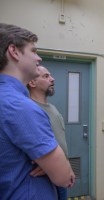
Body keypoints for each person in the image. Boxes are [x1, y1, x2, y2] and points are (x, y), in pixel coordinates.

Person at [0, 23, 75, 199]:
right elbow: (65, 178)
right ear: (14, 51)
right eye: (33, 51)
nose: (38, 58)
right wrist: (60, 167)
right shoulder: (20, 107)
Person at [28, 65, 69, 200]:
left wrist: (66, 166)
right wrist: (48, 166)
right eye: (46, 76)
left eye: (50, 75)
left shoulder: (52, 108)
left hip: (60, 173)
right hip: (44, 179)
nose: (52, 79)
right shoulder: (28, 108)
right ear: (32, 82)